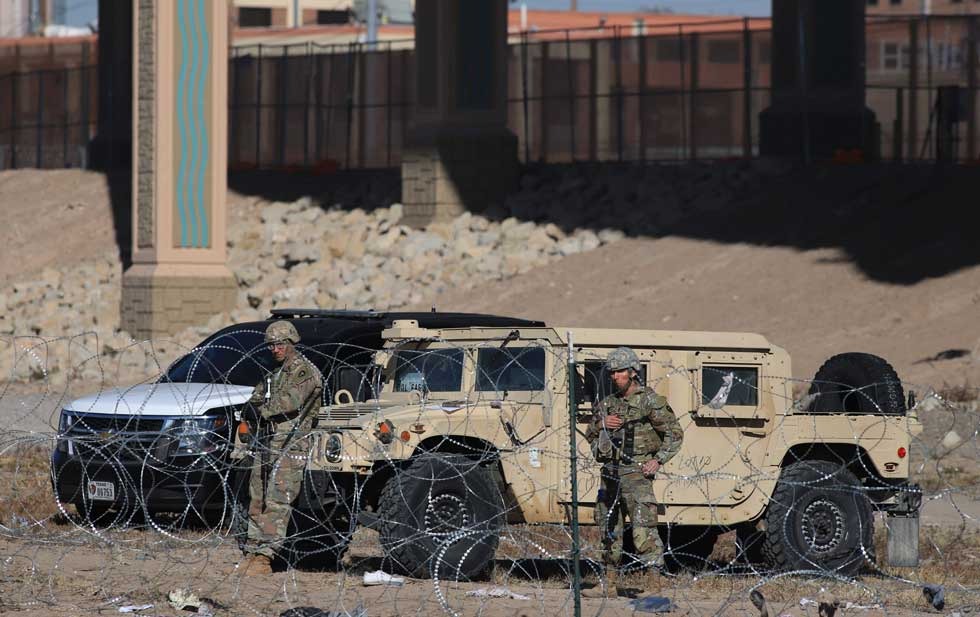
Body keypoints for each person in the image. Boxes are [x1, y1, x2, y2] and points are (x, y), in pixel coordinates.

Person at [582, 346, 684, 598]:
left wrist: (657, 461)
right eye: (612, 372)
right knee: (608, 530)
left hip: (637, 475)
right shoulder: (608, 404)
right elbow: (590, 434)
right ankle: (608, 584)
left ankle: (654, 586)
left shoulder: (650, 400)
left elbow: (674, 434)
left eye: (619, 372)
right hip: (610, 475)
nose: (614, 376)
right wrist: (601, 424)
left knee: (644, 530)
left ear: (632, 372)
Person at [239, 321, 322, 575]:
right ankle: (252, 550)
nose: (275, 349)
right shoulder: (274, 374)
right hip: (268, 442)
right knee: (257, 497)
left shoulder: (303, 371)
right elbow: (256, 395)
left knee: (278, 499)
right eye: (271, 345)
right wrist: (251, 408)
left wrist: (261, 410)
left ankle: (265, 556)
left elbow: (290, 402)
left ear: (291, 343)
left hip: (291, 443)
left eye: (279, 344)